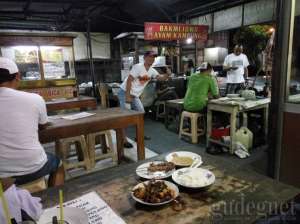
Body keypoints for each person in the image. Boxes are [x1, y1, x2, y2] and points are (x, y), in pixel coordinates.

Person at [0, 57, 64, 186]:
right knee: (58, 164)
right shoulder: (34, 99)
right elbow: (43, 124)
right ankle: (54, 199)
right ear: (17, 76)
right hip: (32, 167)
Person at [118, 51, 170, 148]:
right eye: (150, 57)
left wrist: (167, 74)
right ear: (144, 58)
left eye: (153, 57)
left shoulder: (152, 71)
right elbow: (129, 80)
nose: (152, 59)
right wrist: (128, 96)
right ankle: (123, 139)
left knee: (141, 114)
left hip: (135, 96)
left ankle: (139, 135)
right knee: (124, 117)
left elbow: (160, 78)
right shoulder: (138, 67)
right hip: (124, 92)